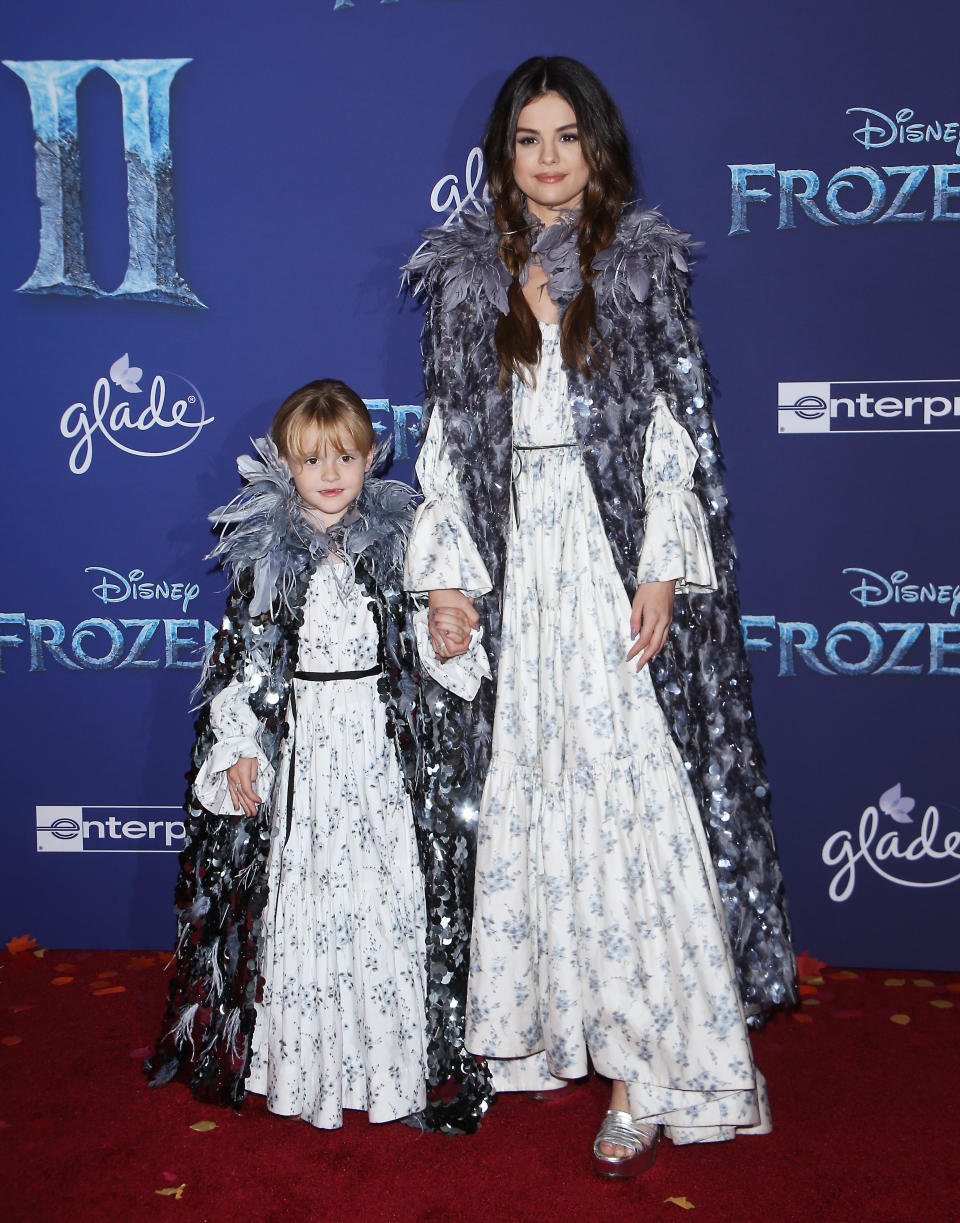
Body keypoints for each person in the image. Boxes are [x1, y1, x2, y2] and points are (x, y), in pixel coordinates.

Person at [403, 57, 797, 1175]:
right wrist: (447, 578)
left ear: (598, 147)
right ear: (502, 155)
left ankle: (640, 1069)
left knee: (634, 805)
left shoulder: (639, 269)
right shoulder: (464, 282)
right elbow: (447, 446)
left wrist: (665, 563)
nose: (548, 158)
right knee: (544, 795)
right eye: (528, 139)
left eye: (566, 136)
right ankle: (562, 1026)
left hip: (608, 557)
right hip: (521, 564)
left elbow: (673, 427)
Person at [147, 379, 491, 1133]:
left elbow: (428, 649)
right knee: (307, 897)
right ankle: (308, 1068)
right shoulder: (265, 558)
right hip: (303, 754)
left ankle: (390, 1065)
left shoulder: (405, 543)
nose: (330, 472)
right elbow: (242, 665)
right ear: (284, 466)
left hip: (376, 752)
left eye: (345, 455)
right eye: (311, 459)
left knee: (385, 896)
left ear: (372, 457)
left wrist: (449, 637)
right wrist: (240, 746)